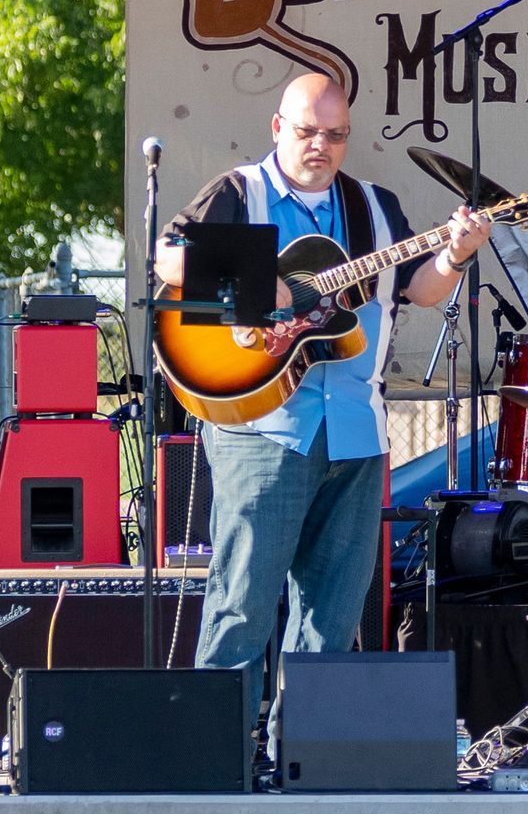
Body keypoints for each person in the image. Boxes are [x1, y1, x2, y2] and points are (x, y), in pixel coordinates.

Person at [155, 73, 491, 721]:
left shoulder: (373, 205)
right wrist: (260, 284)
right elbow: (167, 260)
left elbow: (416, 291)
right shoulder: (239, 192)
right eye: (308, 131)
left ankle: (303, 763)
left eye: (335, 135)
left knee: (333, 621)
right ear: (278, 128)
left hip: (357, 432)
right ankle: (218, 765)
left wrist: (455, 255)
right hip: (263, 424)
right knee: (243, 606)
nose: (321, 146)